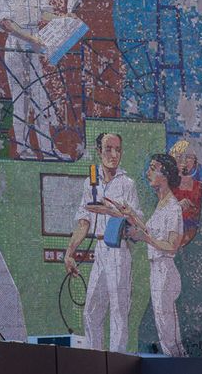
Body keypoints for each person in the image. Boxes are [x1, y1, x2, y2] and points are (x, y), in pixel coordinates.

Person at [63, 132, 140, 352]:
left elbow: (137, 221)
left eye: (118, 149)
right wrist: (70, 253)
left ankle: (117, 358)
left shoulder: (127, 184)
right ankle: (96, 358)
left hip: (119, 248)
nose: (114, 155)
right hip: (100, 249)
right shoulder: (91, 182)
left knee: (118, 309)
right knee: (92, 310)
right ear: (99, 152)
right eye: (108, 149)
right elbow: (83, 222)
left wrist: (114, 211)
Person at [0, 0, 61, 159]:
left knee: (40, 96)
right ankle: (22, 149)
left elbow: (44, 10)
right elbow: (6, 23)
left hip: (34, 41)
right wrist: (32, 40)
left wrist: (62, 19)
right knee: (20, 97)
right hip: (17, 45)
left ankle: (48, 150)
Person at [115, 153, 186, 356]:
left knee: (168, 331)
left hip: (165, 270)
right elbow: (149, 232)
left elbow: (172, 246)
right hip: (157, 270)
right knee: (164, 328)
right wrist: (131, 214)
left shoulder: (173, 208)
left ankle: (181, 366)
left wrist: (144, 238)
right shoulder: (161, 205)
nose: (148, 172)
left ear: (165, 175)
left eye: (153, 168)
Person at [169, 139, 202, 246]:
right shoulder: (167, 185)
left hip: (191, 234)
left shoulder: (199, 186)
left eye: (189, 157)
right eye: (179, 156)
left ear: (194, 161)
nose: (184, 161)